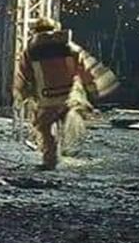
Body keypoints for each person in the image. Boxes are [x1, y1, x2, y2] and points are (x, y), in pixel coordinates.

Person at [13, 18, 93, 169]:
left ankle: (50, 160)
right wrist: (88, 89)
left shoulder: (31, 51)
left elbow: (24, 75)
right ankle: (64, 151)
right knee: (65, 124)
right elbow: (84, 69)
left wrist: (22, 94)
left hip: (47, 98)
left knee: (45, 129)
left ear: (35, 31)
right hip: (69, 97)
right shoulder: (70, 47)